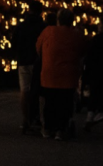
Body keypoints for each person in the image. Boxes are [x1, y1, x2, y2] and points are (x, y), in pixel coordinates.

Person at [35, 9, 88, 140]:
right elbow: (82, 52)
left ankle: (48, 128)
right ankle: (60, 129)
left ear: (58, 20)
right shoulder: (77, 35)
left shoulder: (48, 31)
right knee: (65, 103)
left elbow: (38, 48)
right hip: (68, 75)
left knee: (50, 102)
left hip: (50, 74)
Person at [11, 7, 45, 134]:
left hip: (23, 62)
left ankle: (25, 119)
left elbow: (13, 43)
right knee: (39, 90)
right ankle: (38, 118)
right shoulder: (43, 27)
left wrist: (19, 54)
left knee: (25, 91)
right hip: (38, 62)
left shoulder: (20, 26)